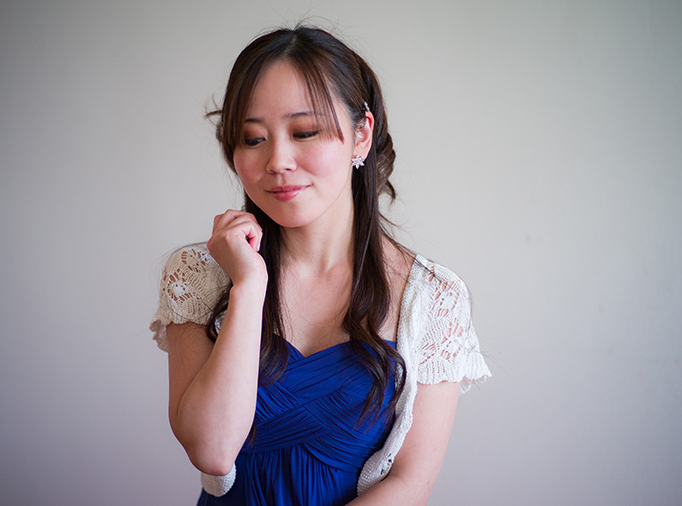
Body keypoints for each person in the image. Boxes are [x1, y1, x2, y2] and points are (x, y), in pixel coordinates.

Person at [150, 25, 491, 505]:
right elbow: (212, 450)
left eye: (305, 132)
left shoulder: (433, 299)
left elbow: (411, 484)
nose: (277, 161)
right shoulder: (198, 275)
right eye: (252, 138)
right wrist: (249, 286)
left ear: (361, 135)